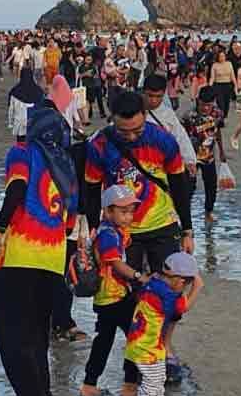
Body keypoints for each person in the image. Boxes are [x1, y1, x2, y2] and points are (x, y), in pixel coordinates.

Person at [0, 100, 78, 396]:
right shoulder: (67, 165)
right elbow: (71, 221)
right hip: (53, 262)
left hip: (19, 260)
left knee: (14, 340)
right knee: (37, 339)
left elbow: (17, 189)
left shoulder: (22, 152)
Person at [84, 91, 194, 382]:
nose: (131, 137)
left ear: (145, 117)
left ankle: (165, 348)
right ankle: (137, 359)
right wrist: (93, 228)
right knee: (129, 299)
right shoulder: (100, 144)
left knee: (169, 295)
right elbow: (92, 188)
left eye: (137, 130)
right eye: (124, 131)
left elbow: (180, 184)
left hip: (162, 225)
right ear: (112, 121)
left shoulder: (162, 140)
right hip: (124, 233)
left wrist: (187, 229)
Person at [81, 185, 148, 396]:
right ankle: (129, 385)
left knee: (104, 340)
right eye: (123, 212)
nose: (128, 217)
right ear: (108, 212)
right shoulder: (109, 234)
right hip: (114, 297)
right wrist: (139, 277)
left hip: (107, 298)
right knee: (136, 337)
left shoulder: (109, 230)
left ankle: (89, 385)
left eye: (131, 211)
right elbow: (116, 264)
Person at [123, 252, 203, 396]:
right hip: (149, 350)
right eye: (185, 286)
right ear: (180, 281)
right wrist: (197, 287)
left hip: (135, 344)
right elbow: (183, 308)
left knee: (157, 381)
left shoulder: (152, 283)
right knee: (152, 387)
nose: (183, 290)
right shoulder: (168, 297)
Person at [182, 87, 227, 222]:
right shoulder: (188, 116)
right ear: (198, 101)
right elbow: (181, 137)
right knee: (188, 187)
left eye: (209, 105)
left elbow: (218, 132)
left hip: (208, 156)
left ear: (214, 102)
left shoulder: (218, 114)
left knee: (211, 186)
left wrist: (222, 151)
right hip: (191, 158)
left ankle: (208, 212)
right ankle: (185, 216)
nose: (206, 108)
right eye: (203, 104)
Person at [8, 67, 46, 140]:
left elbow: (11, 109)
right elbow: (42, 109)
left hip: (20, 124)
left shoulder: (15, 92)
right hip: (34, 124)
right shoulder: (38, 91)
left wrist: (11, 123)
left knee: (21, 145)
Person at [209, 50, 236, 119]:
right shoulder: (215, 65)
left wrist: (236, 85)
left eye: (223, 56)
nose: (222, 58)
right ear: (217, 57)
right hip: (218, 86)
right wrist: (209, 86)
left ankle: (224, 116)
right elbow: (212, 77)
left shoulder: (229, 63)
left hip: (228, 85)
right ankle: (221, 118)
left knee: (227, 103)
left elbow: (232, 76)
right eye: (220, 56)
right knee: (221, 104)